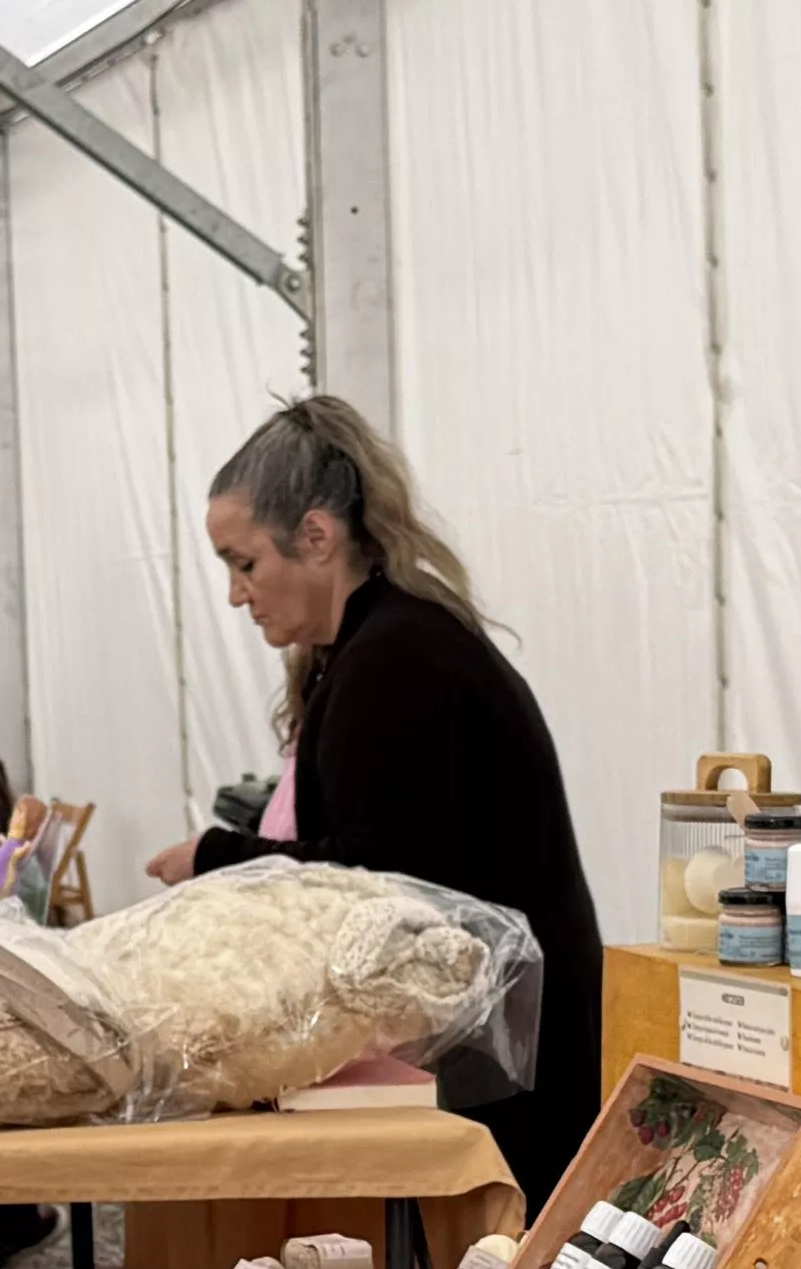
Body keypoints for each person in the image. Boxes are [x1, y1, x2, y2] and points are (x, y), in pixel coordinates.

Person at [168, 394, 602, 1199]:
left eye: (244, 563)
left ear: (316, 537)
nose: (235, 593)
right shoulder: (381, 644)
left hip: (509, 1057)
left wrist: (216, 857)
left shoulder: (398, 659)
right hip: (505, 1033)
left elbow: (379, 877)